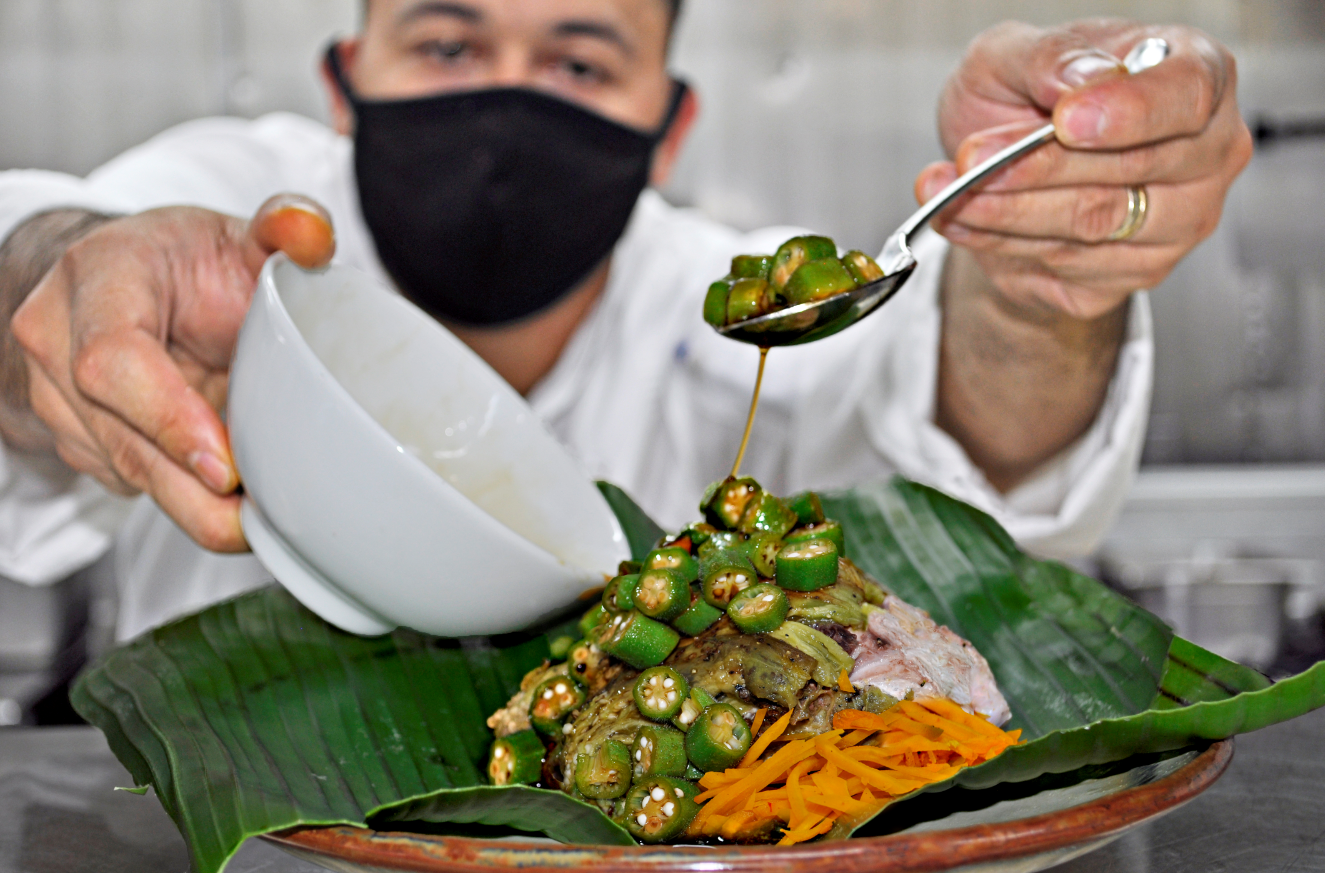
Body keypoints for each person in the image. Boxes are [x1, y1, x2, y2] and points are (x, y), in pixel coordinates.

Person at [0, 1, 1251, 638]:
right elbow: (48, 263)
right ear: (343, 82)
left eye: (579, 64)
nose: (505, 103)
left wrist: (1034, 285)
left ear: (669, 124)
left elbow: (974, 456)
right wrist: (70, 286)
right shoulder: (244, 206)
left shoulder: (734, 303)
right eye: (446, 45)